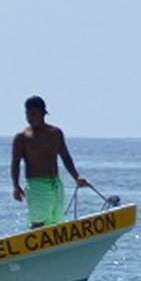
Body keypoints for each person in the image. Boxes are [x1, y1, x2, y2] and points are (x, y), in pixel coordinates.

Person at [11, 96, 91, 228]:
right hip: (36, 185)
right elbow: (15, 164)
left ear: (43, 113)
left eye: (34, 114)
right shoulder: (21, 138)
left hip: (56, 184)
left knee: (56, 222)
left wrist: (76, 177)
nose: (30, 118)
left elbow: (65, 157)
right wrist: (16, 186)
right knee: (38, 221)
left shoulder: (55, 133)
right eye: (28, 114)